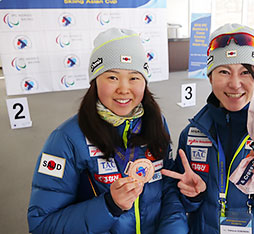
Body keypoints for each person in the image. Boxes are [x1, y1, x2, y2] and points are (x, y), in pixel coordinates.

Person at [27, 28, 188, 234]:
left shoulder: (156, 123)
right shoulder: (66, 139)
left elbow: (167, 189)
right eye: (112, 77)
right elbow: (42, 224)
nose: (123, 88)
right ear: (95, 81)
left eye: (134, 77)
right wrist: (109, 206)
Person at [162, 23, 254, 234]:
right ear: (210, 77)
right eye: (224, 71)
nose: (234, 83)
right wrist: (191, 196)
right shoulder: (192, 134)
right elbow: (179, 204)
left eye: (245, 72)